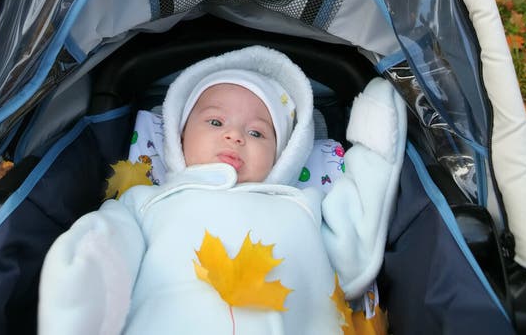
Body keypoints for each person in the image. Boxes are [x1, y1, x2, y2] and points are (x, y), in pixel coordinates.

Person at [38, 45, 407, 334]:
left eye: (257, 132)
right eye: (215, 121)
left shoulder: (306, 205)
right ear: (178, 137)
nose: (234, 135)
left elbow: (356, 251)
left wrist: (374, 146)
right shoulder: (147, 201)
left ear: (285, 155)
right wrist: (81, 272)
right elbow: (110, 244)